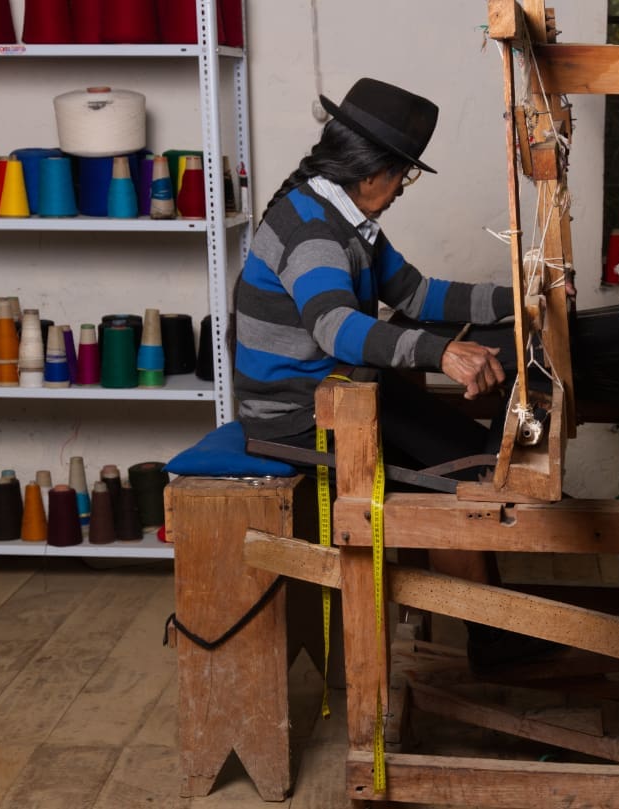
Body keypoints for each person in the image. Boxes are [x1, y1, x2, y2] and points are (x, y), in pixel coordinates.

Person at [234, 77, 556, 669]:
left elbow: (417, 293)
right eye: (404, 174)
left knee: (467, 455)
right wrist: (442, 354)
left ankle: (496, 621)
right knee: (454, 483)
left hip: (338, 394)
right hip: (296, 417)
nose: (404, 188)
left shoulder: (345, 217)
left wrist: (521, 302)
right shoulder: (310, 227)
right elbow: (335, 327)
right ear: (370, 169)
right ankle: (493, 643)